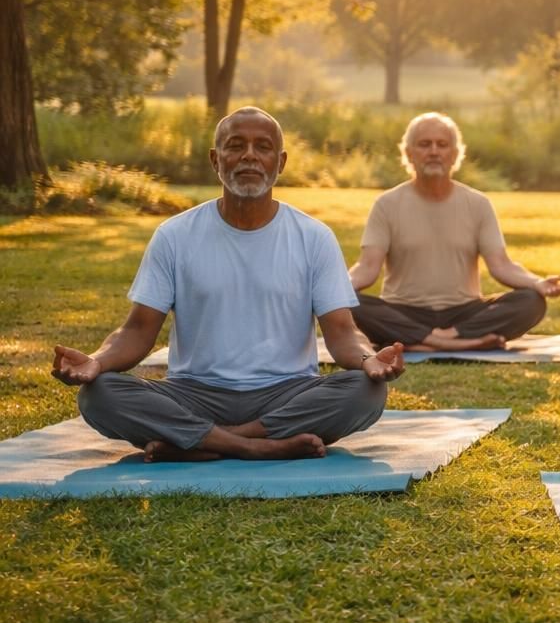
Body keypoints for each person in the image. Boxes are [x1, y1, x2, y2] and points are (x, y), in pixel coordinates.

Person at [51, 106, 404, 462]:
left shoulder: (314, 237)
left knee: (365, 390)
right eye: (235, 146)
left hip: (286, 394)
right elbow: (138, 330)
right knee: (99, 394)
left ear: (280, 162)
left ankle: (204, 442)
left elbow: (343, 332)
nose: (249, 156)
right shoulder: (175, 235)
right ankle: (257, 447)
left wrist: (368, 360)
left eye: (262, 147)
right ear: (215, 159)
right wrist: (96, 361)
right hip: (194, 394)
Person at [348, 112, 560, 352]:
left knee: (531, 301)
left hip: (464, 313)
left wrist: (538, 283)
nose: (433, 151)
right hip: (404, 312)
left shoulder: (478, 204)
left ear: (454, 154)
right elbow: (367, 268)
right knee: (350, 303)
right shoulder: (386, 204)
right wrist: (336, 287)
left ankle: (432, 341)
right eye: (424, 144)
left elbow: (502, 266)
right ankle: (457, 343)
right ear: (409, 153)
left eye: (442, 145)